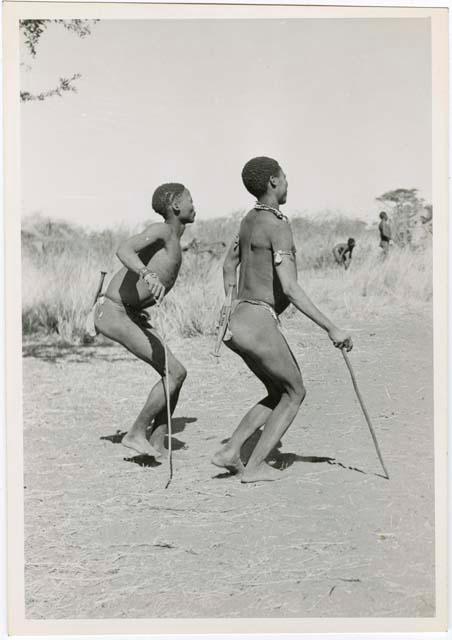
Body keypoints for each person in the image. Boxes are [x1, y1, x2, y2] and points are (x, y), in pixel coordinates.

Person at [212, 157, 353, 483]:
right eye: (285, 177)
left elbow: (226, 266)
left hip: (236, 322)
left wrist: (229, 306)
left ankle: (230, 451)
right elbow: (289, 288)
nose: (288, 182)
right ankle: (256, 465)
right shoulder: (278, 225)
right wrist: (331, 327)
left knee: (279, 392)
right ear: (274, 182)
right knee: (295, 392)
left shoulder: (248, 220)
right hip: (259, 321)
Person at [91, 183, 196, 458]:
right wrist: (147, 274)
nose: (194, 205)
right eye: (189, 200)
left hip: (128, 313)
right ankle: (136, 433)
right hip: (113, 311)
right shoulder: (162, 231)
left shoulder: (174, 238)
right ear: (175, 206)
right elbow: (124, 249)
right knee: (173, 373)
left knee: (177, 374)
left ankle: (157, 442)